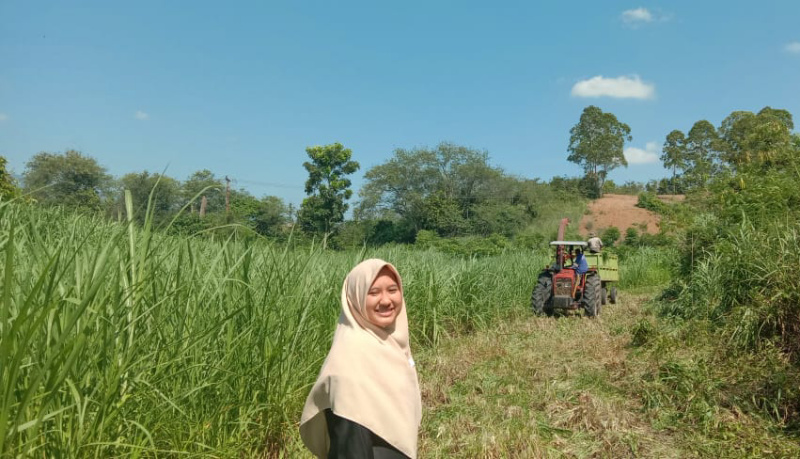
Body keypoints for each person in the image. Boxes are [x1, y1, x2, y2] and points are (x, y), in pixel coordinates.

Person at [300, 259, 422, 459]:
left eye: (392, 289)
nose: (385, 300)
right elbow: (350, 443)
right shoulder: (351, 356)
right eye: (373, 293)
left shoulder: (388, 343)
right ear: (355, 298)